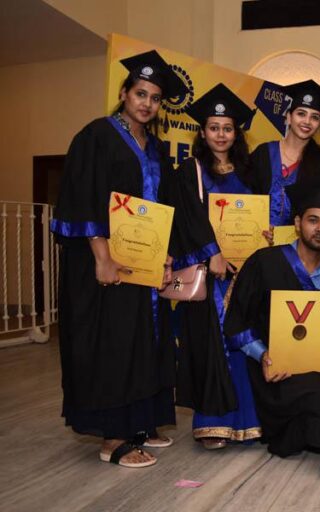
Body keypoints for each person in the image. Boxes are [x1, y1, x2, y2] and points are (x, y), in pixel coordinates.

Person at [50, 50, 187, 468]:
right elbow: (83, 196)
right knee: (112, 343)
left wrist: (164, 254)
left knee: (142, 341)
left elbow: (160, 207)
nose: (147, 103)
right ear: (125, 93)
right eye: (140, 93)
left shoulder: (156, 148)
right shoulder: (96, 135)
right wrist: (102, 255)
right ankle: (113, 438)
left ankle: (140, 423)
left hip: (141, 263)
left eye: (155, 98)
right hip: (105, 260)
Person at [223, 182, 320, 457]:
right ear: (297, 223)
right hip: (282, 372)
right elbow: (236, 321)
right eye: (313, 220)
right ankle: (288, 430)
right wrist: (264, 356)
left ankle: (292, 432)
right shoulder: (265, 262)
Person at [168, 83, 261, 449]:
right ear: (203, 132)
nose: (221, 134)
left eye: (227, 128)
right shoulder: (191, 170)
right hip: (213, 273)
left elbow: (259, 213)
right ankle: (213, 424)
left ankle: (250, 421)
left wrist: (265, 235)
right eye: (213, 127)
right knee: (214, 343)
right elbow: (188, 218)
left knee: (246, 339)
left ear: (236, 133)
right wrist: (213, 253)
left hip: (246, 270)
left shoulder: (249, 172)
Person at [247, 79, 320, 243]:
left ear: (319, 125)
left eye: (314, 117)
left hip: (296, 247)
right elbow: (245, 195)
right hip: (255, 239)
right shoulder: (263, 153)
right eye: (301, 114)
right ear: (288, 117)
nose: (307, 122)